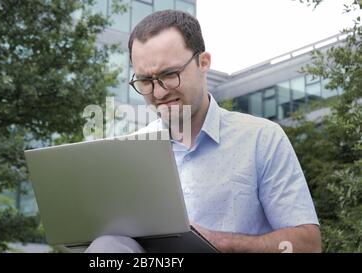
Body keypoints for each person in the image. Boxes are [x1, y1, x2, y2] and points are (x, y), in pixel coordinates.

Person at [86, 10, 321, 253]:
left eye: (170, 75)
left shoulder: (262, 138)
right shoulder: (127, 153)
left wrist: (221, 243)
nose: (158, 93)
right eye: (145, 81)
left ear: (203, 63)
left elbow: (308, 246)